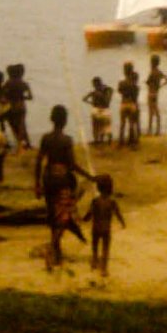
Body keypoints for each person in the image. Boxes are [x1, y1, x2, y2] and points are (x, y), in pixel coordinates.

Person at [35, 104, 95, 268]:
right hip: (62, 181)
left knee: (52, 215)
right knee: (63, 216)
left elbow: (39, 161)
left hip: (48, 179)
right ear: (65, 121)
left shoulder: (45, 138)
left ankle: (58, 251)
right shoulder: (66, 140)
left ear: (52, 119)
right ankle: (54, 248)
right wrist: (89, 176)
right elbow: (72, 165)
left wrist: (37, 184)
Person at [83, 173, 126, 277]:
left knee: (95, 246)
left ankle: (94, 262)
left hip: (96, 228)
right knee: (105, 249)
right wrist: (122, 223)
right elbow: (118, 214)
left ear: (98, 188)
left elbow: (89, 214)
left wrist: (83, 219)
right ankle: (104, 269)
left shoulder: (95, 201)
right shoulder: (112, 202)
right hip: (106, 229)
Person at [4, 63, 33, 151]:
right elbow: (30, 97)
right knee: (22, 126)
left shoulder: (8, 83)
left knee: (14, 127)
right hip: (21, 105)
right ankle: (26, 145)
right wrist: (22, 97)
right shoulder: (24, 83)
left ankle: (21, 144)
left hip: (11, 106)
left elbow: (4, 95)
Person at [82, 77, 113, 145]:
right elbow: (84, 98)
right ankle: (105, 140)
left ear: (96, 84)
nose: (94, 86)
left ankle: (99, 140)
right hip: (103, 110)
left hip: (99, 109)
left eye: (94, 84)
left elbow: (84, 99)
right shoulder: (106, 90)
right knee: (104, 126)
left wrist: (91, 102)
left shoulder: (96, 92)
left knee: (98, 126)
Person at [117, 62, 140, 147]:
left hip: (124, 103)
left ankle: (121, 141)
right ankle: (132, 142)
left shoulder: (122, 82)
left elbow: (119, 91)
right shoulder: (134, 84)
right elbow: (135, 94)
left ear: (124, 71)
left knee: (122, 123)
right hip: (131, 103)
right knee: (131, 123)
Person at [146, 54, 167, 135]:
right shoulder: (159, 72)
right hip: (156, 93)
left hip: (150, 93)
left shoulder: (152, 72)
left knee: (151, 112)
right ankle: (158, 130)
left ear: (152, 63)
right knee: (156, 111)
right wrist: (160, 86)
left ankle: (149, 131)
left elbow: (148, 82)